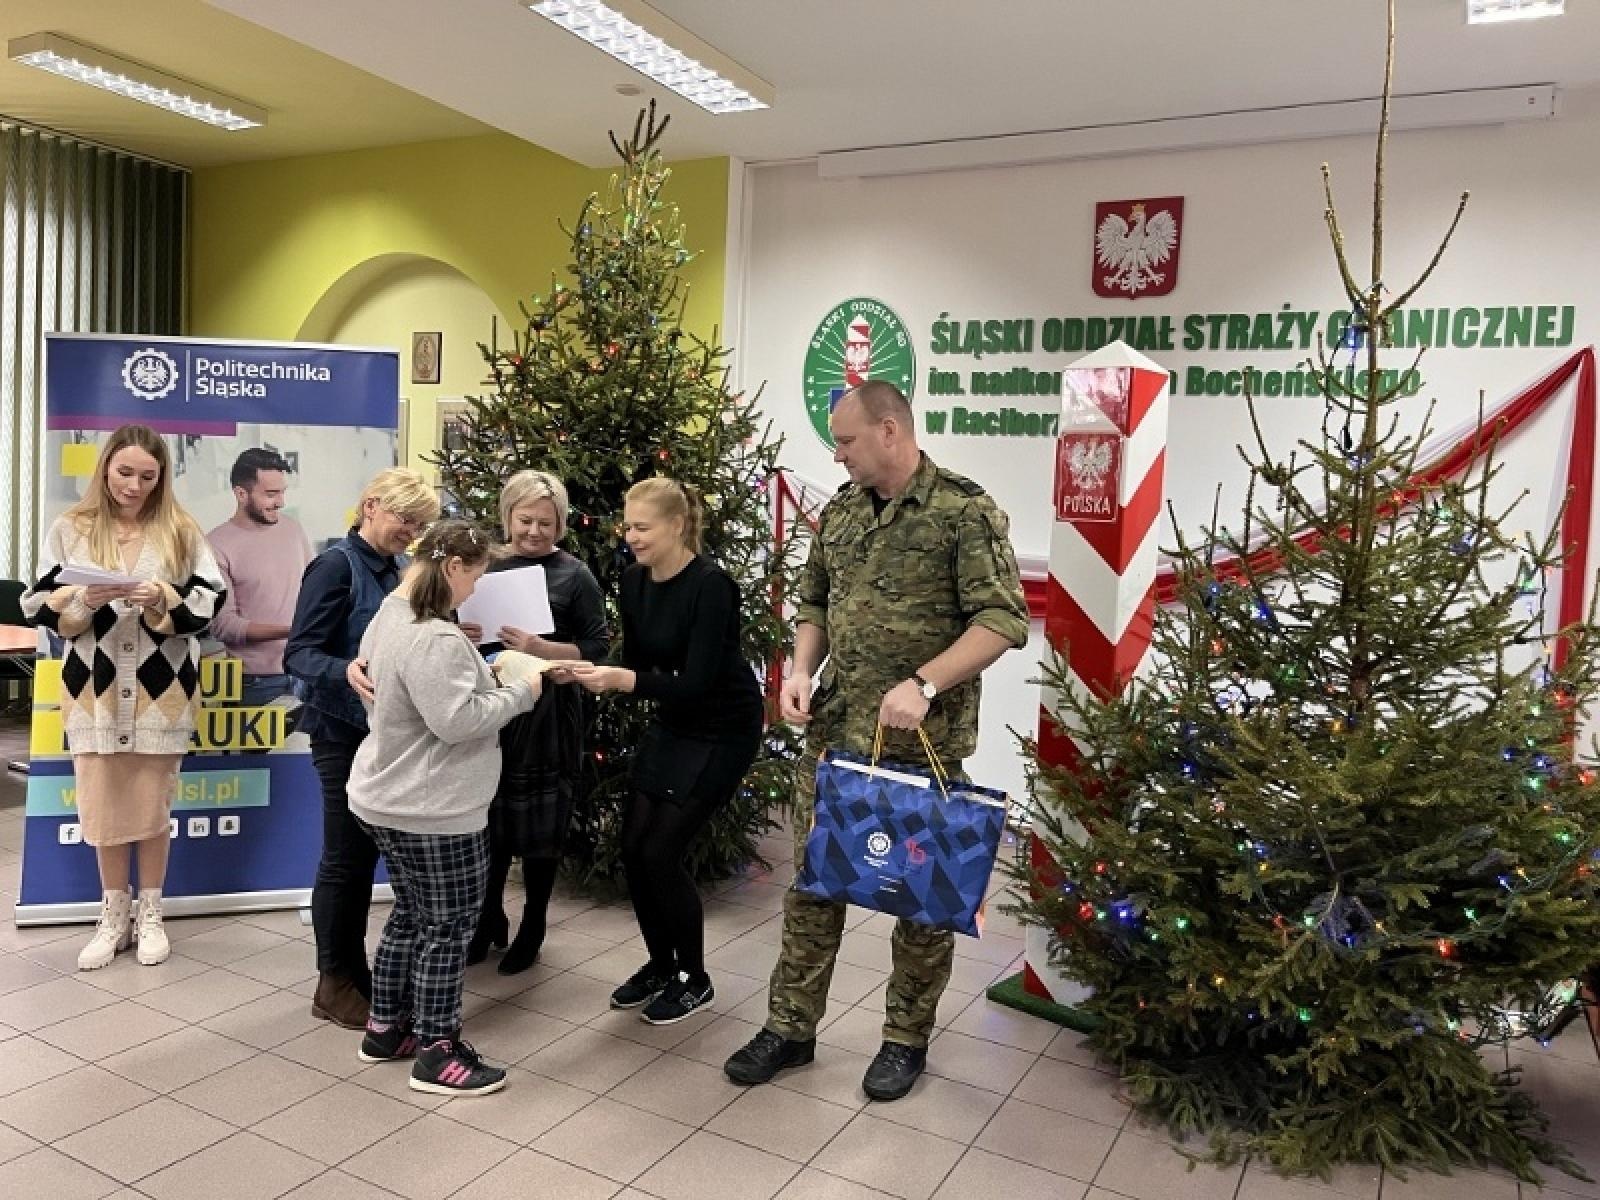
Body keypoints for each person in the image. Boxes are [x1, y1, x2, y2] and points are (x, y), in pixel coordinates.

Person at [723, 380, 1028, 1101]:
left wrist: (923, 684)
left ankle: (904, 1039)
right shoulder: (841, 512)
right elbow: (815, 600)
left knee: (920, 899)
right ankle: (790, 1028)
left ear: (890, 430)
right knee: (812, 887)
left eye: (848, 440)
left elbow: (1002, 620)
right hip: (836, 738)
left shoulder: (963, 510)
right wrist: (800, 670)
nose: (838, 455)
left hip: (922, 749)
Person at [347, 519, 541, 1096]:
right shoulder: (434, 636)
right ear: (454, 566)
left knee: (411, 914)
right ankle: (437, 1051)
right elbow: (456, 722)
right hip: (432, 809)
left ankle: (385, 1027)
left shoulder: (390, 612)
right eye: (476, 575)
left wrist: (480, 671)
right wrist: (520, 691)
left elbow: (384, 680)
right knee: (449, 928)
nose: (477, 588)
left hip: (387, 796)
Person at [22, 425, 225, 970]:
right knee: (103, 802)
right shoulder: (71, 528)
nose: (134, 486)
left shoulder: (181, 530)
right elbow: (37, 601)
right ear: (106, 468)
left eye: (148, 476)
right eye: (125, 473)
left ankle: (151, 912)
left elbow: (209, 602)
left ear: (162, 478)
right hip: (95, 689)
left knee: (152, 802)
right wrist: (82, 598)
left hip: (164, 691)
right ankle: (113, 915)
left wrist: (163, 595)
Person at [569, 478, 763, 1026]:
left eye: (643, 527)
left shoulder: (711, 586)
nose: (631, 536)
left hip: (723, 728)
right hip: (674, 722)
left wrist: (624, 682)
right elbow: (640, 662)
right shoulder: (633, 581)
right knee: (633, 846)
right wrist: (582, 668)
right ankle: (660, 965)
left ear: (677, 526)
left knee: (660, 852)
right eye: (627, 526)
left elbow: (696, 679)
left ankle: (694, 979)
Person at [285, 467, 440, 1028]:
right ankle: (334, 982)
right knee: (346, 860)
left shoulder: (401, 569)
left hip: (384, 735)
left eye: (420, 523)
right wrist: (343, 668)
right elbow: (299, 653)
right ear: (370, 506)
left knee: (368, 860)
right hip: (338, 731)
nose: (412, 531)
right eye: (405, 518)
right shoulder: (334, 566)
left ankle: (359, 974)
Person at [466, 470, 609, 975]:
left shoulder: (576, 574)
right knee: (487, 822)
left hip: (548, 714)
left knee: (541, 827)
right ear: (507, 517)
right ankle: (487, 919)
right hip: (487, 710)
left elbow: (598, 647)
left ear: (562, 524)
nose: (535, 532)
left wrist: (543, 648)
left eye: (546, 523)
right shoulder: (482, 565)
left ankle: (533, 924)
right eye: (525, 520)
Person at [207, 449, 312, 708]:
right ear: (241, 494)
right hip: (255, 684)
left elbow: (315, 591)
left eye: (282, 492)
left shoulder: (293, 529)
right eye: (271, 494)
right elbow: (224, 626)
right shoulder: (215, 545)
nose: (281, 502)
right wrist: (293, 631)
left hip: (307, 673)